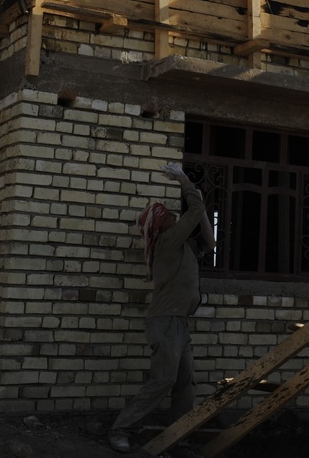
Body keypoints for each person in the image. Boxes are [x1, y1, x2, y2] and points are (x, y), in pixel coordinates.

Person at [109, 162, 216, 455]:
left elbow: (210, 239)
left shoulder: (184, 248)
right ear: (160, 224)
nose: (172, 215)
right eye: (167, 214)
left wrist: (201, 209)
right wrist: (183, 178)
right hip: (165, 322)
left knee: (185, 383)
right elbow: (194, 211)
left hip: (178, 323)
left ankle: (178, 436)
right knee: (164, 380)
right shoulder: (167, 242)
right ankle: (121, 429)